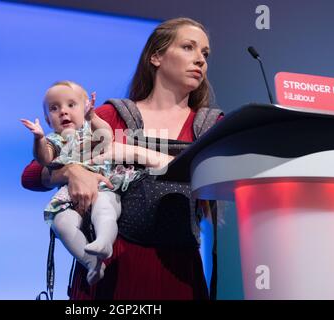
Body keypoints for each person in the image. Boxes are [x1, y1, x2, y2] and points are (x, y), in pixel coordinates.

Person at [21, 17, 223, 299]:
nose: (200, 60)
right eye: (188, 48)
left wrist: (133, 152)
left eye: (205, 54)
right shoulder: (112, 116)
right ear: (156, 57)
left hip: (180, 272)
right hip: (112, 270)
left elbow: (219, 175)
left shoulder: (211, 126)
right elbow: (31, 174)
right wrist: (70, 172)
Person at [20, 81, 172, 285]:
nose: (63, 112)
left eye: (71, 105)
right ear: (48, 119)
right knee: (61, 222)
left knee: (104, 208)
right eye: (54, 108)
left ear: (85, 108)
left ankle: (104, 241)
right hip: (70, 193)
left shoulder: (91, 128)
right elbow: (44, 159)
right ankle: (91, 262)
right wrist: (38, 138)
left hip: (105, 185)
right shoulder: (54, 140)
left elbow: (107, 136)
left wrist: (92, 116)